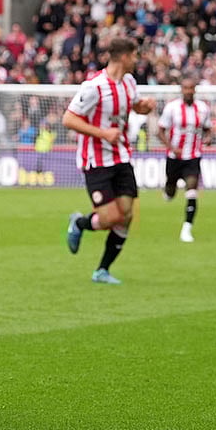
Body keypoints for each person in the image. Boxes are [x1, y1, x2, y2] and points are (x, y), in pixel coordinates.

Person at [64, 38, 156, 284]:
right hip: (96, 161)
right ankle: (80, 223)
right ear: (124, 56)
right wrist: (104, 134)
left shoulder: (129, 82)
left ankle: (102, 270)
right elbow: (69, 119)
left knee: (126, 215)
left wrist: (145, 107)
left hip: (122, 157)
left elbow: (135, 107)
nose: (137, 60)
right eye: (135, 55)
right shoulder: (94, 87)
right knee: (109, 219)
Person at [156, 78, 211, 242]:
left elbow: (208, 128)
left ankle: (186, 229)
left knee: (192, 189)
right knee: (171, 191)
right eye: (185, 88)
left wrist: (208, 138)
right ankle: (168, 190)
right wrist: (171, 147)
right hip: (174, 157)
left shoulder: (203, 108)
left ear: (195, 90)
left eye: (191, 88)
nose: (188, 91)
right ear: (181, 90)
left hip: (193, 156)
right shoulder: (172, 108)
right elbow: (160, 130)